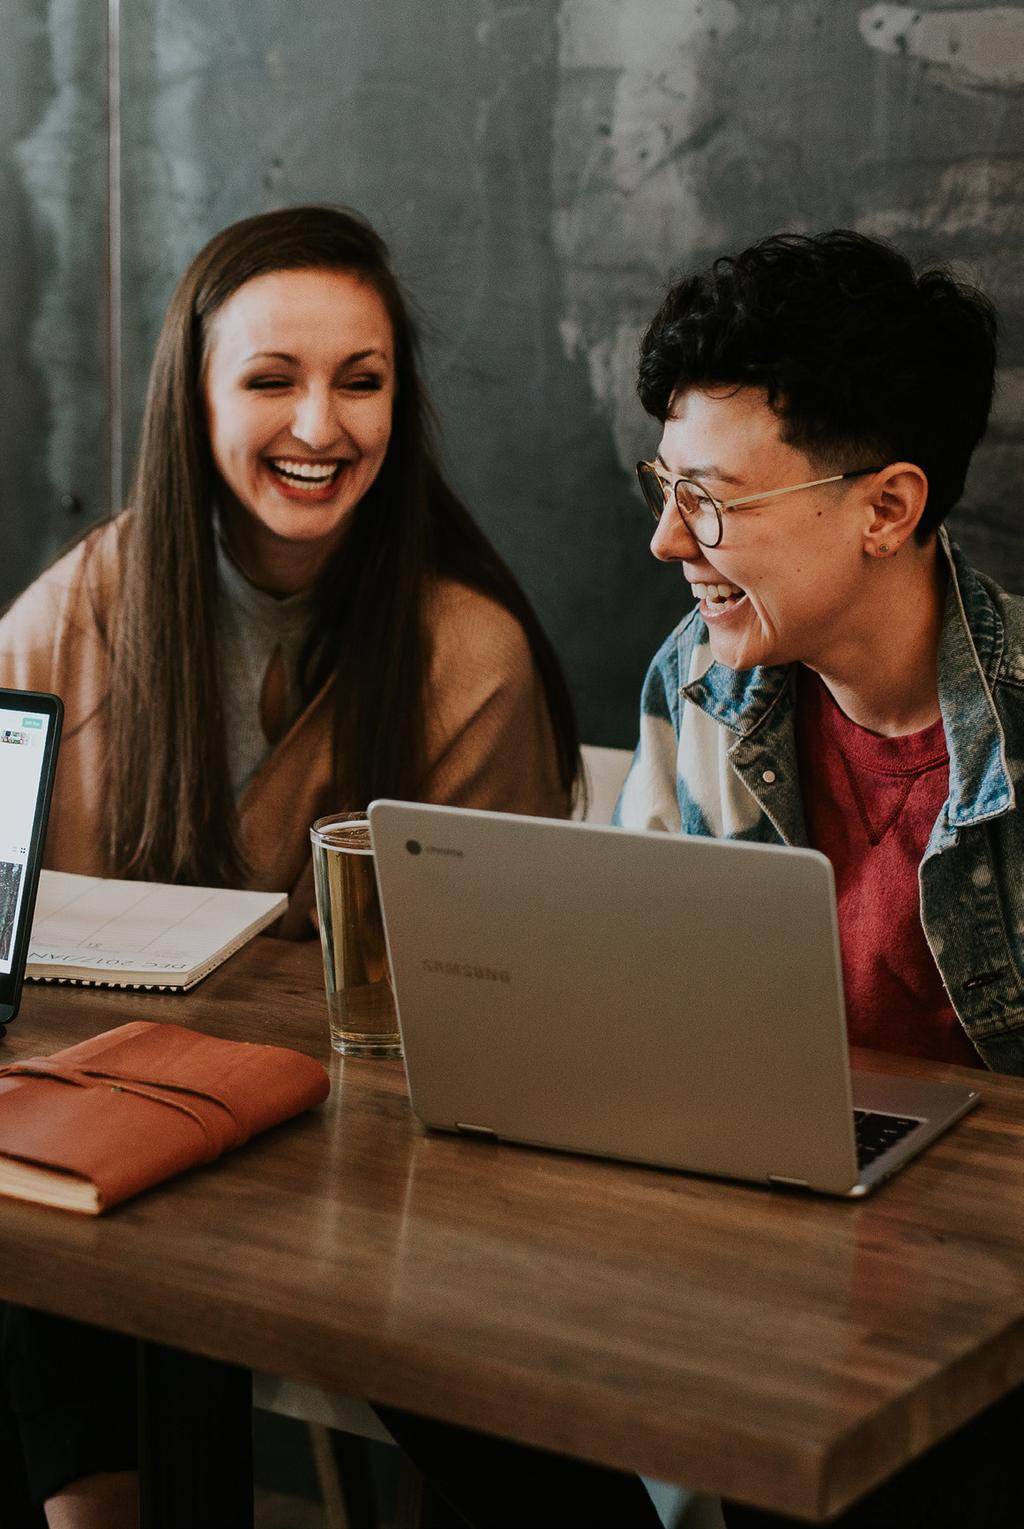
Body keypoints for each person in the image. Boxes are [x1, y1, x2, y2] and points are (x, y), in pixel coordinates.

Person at [0, 203, 581, 1529]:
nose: (321, 426)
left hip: (367, 1191)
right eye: (272, 379)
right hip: (106, 1150)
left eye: (360, 382)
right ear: (193, 400)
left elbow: (497, 1022)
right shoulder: (72, 612)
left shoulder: (464, 654)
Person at [618, 229, 1024, 1525]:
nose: (669, 541)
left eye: (716, 500)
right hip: (755, 1247)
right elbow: (640, 1010)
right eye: (664, 487)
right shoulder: (697, 683)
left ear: (888, 508)